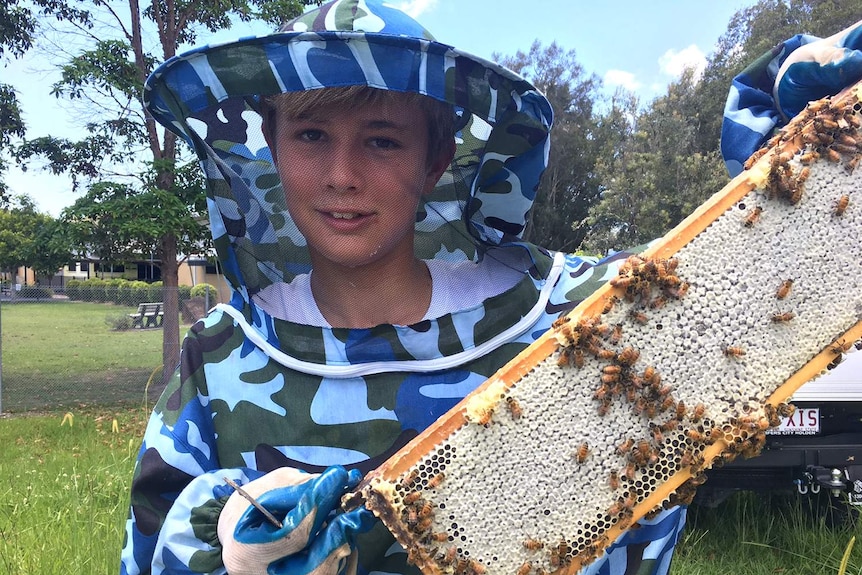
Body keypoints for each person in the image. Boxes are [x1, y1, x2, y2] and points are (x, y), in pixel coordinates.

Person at [120, 1, 862, 574]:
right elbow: (147, 546)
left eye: (382, 138)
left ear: (439, 154)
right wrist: (214, 537)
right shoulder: (219, 359)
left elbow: (756, 274)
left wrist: (803, 157)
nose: (342, 174)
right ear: (270, 146)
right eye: (311, 135)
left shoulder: (570, 315)